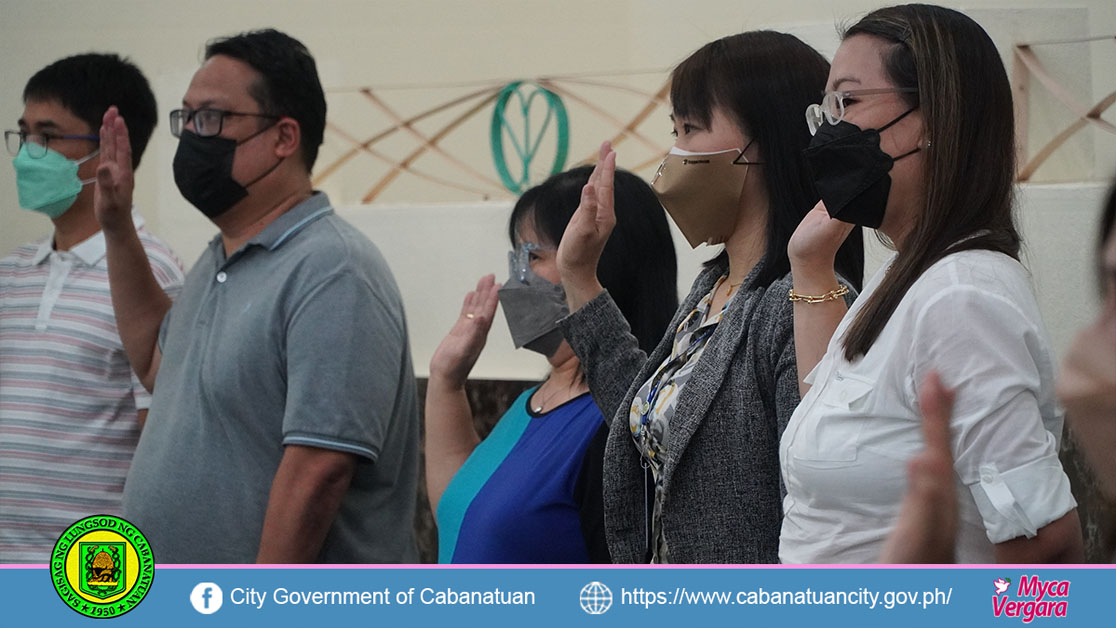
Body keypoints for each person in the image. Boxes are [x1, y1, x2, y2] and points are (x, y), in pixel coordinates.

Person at [96, 29, 419, 563]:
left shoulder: (332, 268)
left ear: (284, 137)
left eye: (212, 119)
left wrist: (259, 604)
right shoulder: (219, 260)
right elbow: (158, 362)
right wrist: (116, 228)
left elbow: (319, 470)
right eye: (188, 118)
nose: (193, 137)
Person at [782, 4, 1082, 563]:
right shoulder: (907, 274)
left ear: (938, 120)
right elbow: (844, 415)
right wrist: (810, 267)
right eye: (824, 107)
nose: (829, 128)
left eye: (847, 102)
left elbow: (1047, 549)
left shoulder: (961, 295)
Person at [556, 31, 865, 563]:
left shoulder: (808, 301)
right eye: (673, 130)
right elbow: (649, 422)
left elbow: (820, 501)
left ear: (764, 144)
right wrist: (579, 275)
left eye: (690, 129)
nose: (672, 155)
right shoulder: (713, 289)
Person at [426, 166, 678, 563]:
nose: (517, 277)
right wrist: (446, 380)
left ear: (599, 259)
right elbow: (464, 511)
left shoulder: (621, 421)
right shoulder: (534, 403)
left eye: (535, 256)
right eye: (517, 257)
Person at [0, 54, 183, 563]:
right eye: (23, 134)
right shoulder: (10, 273)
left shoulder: (155, 273)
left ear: (109, 147)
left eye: (48, 136)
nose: (26, 154)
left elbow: (161, 449)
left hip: (92, 576)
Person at [882, 179, 1116, 563]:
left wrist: (914, 592)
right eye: (1107, 291)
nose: (1089, 342)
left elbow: (1050, 582)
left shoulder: (961, 293)